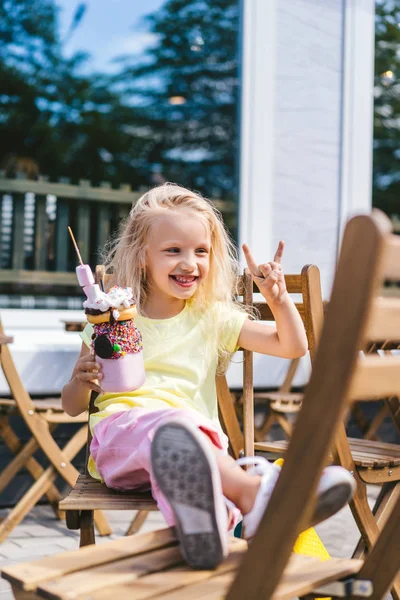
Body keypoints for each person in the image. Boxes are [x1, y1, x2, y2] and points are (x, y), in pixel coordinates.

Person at [62, 183, 355, 570]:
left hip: (197, 451)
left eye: (201, 251)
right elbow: (71, 407)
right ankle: (257, 497)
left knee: (189, 464)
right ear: (142, 256)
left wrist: (278, 299)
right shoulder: (108, 323)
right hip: (120, 441)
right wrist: (81, 383)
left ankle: (212, 534)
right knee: (173, 431)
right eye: (173, 251)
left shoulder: (211, 317)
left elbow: (292, 346)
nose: (190, 262)